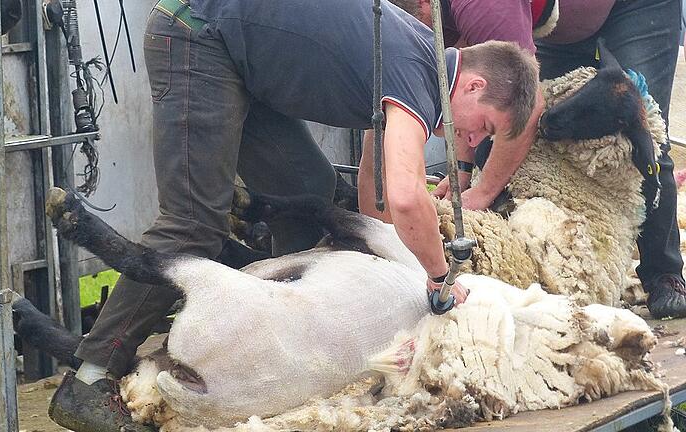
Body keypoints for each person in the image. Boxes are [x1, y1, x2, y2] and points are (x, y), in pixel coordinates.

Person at [45, 0, 539, 430]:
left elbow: (375, 194)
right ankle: (93, 377)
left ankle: (277, 351)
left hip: (239, 61)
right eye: (484, 128)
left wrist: (391, 259)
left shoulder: (414, 58)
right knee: (194, 222)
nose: (472, 142)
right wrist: (439, 278)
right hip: (197, 34)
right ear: (473, 86)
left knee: (308, 199)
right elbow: (408, 198)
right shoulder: (418, 76)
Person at [393, 0, 686, 319]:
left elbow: (526, 102)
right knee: (534, 132)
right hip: (561, 27)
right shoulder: (436, 23)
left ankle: (664, 274)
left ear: (423, 4)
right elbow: (466, 89)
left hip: (638, 8)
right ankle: (521, 257)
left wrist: (482, 191)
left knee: (642, 131)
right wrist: (462, 169)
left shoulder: (486, 7)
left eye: (412, 18)